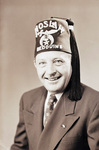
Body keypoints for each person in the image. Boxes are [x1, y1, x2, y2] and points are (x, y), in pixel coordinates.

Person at [10, 17, 99, 150]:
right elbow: (20, 147)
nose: (50, 71)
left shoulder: (93, 103)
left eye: (58, 61)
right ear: (35, 64)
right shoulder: (28, 99)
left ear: (72, 62)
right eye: (42, 63)